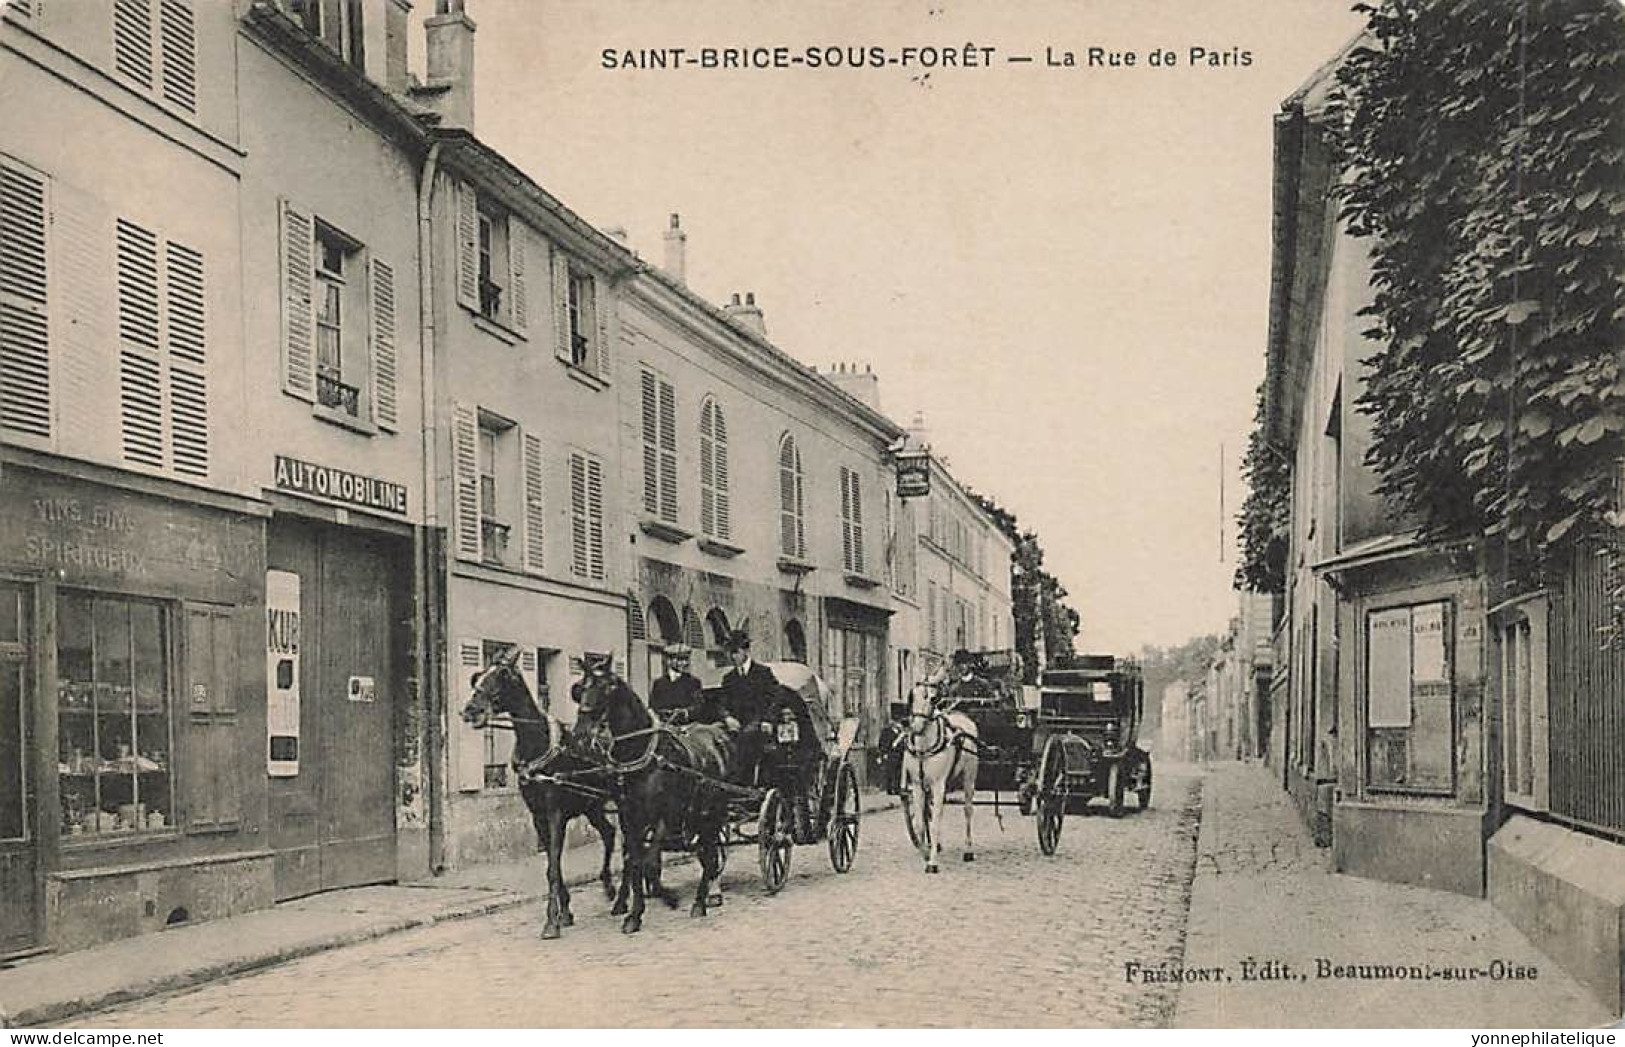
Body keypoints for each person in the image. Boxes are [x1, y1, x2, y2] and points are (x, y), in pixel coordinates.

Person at [719, 629, 778, 785]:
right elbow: (723, 702)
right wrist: (727, 717)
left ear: (746, 650)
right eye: (730, 653)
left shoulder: (763, 673)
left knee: (746, 737)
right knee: (716, 737)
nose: (733, 657)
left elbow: (774, 699)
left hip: (758, 723)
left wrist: (767, 720)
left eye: (736, 652)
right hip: (735, 724)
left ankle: (741, 782)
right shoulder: (729, 678)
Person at [648, 643, 713, 725]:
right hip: (663, 726)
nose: (683, 663)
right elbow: (652, 707)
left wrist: (685, 712)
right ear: (668, 661)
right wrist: (656, 720)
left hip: (686, 727)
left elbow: (698, 706)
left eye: (685, 659)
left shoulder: (693, 682)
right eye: (680, 659)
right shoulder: (658, 683)